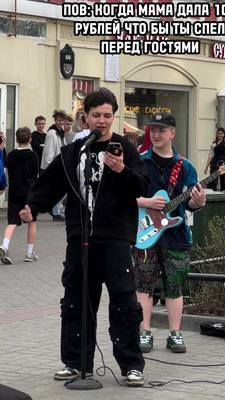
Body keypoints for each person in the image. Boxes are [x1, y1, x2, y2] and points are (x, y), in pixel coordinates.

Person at [19, 88, 147, 387]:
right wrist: (32, 206)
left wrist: (122, 170)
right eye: (96, 115)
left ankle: (131, 364)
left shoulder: (125, 149)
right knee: (76, 302)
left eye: (107, 115)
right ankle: (75, 362)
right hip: (80, 237)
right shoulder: (75, 150)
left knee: (124, 302)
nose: (101, 121)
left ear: (114, 117)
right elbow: (51, 182)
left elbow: (142, 186)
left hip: (115, 238)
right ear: (85, 117)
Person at [133, 112, 206, 354]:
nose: (155, 134)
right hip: (144, 234)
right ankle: (144, 331)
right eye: (152, 129)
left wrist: (199, 201)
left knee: (175, 286)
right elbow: (124, 196)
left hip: (176, 236)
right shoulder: (139, 161)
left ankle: (175, 333)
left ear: (172, 134)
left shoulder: (185, 167)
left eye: (161, 130)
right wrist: (146, 202)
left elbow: (191, 205)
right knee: (143, 285)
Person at [0, 127, 39, 265]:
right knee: (32, 222)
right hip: (29, 193)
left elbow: (7, 169)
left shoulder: (11, 155)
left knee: (11, 222)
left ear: (16, 139)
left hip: (14, 192)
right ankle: (29, 252)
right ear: (30, 139)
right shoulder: (34, 156)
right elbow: (35, 176)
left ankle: (4, 246)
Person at [41, 109, 66, 222]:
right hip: (52, 166)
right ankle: (55, 213)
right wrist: (51, 167)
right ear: (55, 120)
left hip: (60, 164)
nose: (61, 122)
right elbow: (49, 152)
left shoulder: (60, 131)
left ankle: (53, 209)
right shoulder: (52, 133)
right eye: (59, 120)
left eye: (62, 120)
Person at [204, 127, 225, 193]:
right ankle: (211, 193)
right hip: (214, 164)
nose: (219, 135)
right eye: (218, 133)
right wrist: (206, 167)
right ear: (216, 134)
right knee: (212, 180)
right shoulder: (213, 144)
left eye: (221, 133)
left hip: (224, 164)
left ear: (224, 134)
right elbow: (210, 155)